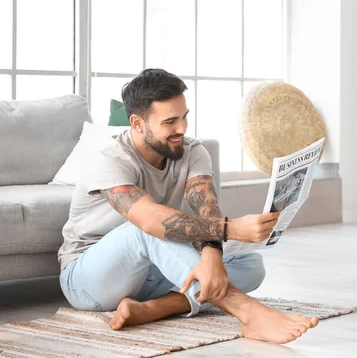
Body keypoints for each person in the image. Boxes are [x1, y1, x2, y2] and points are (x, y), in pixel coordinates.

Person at [57, 69, 318, 344]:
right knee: (145, 231)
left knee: (250, 264)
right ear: (137, 123)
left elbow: (205, 206)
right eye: (170, 121)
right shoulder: (110, 160)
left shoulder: (192, 151)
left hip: (148, 275)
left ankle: (154, 308)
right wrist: (231, 229)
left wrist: (212, 252)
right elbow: (151, 221)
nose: (181, 128)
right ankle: (248, 312)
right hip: (88, 280)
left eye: (184, 116)